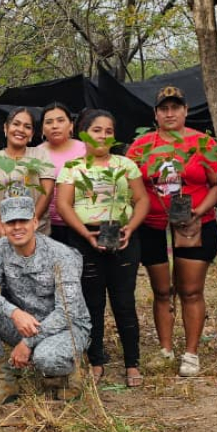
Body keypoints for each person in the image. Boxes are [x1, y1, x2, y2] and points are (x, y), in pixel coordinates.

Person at [127, 87, 217, 376]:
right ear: (156, 114)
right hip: (154, 225)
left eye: (175, 107)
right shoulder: (141, 146)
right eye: (164, 109)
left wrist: (199, 211)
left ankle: (191, 353)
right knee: (162, 290)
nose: (170, 113)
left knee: (191, 290)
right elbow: (130, 183)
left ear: (185, 110)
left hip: (195, 224)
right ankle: (166, 349)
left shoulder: (203, 142)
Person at [57, 109, 149, 386]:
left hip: (121, 237)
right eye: (97, 130)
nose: (103, 136)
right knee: (91, 303)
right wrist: (85, 234)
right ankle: (96, 360)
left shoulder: (125, 164)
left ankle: (132, 362)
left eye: (109, 131)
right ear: (84, 133)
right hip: (85, 239)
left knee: (124, 303)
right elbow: (63, 204)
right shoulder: (73, 167)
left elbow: (141, 199)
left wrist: (130, 227)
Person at [0, 195, 91, 405]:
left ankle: (73, 369)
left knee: (45, 358)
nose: (17, 227)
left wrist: (27, 343)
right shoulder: (1, 248)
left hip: (66, 328)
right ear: (3, 226)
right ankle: (5, 379)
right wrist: (13, 312)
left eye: (23, 221)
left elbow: (67, 313)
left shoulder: (60, 255)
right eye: (10, 222)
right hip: (26, 323)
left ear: (35, 222)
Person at [0, 107, 55, 241]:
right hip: (0, 235)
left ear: (31, 134)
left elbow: (47, 192)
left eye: (27, 127)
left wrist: (31, 224)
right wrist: (2, 231)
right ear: (6, 128)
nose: (20, 129)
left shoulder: (40, 156)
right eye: (16, 124)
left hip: (37, 234)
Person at [31, 102, 86, 245]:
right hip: (45, 225)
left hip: (81, 222)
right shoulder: (35, 154)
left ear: (71, 125)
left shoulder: (86, 150)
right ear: (42, 128)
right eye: (49, 122)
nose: (55, 126)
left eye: (60, 120)